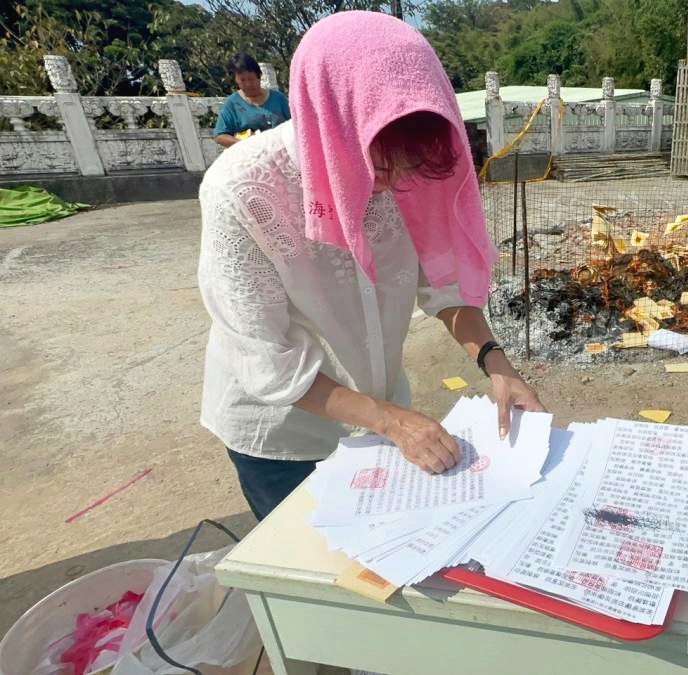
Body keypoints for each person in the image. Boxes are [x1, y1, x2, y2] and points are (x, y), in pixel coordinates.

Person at [197, 12, 545, 520]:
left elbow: (441, 287)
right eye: (381, 168)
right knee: (310, 576)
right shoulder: (242, 192)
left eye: (407, 170)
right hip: (283, 435)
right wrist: (391, 422)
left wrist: (498, 364)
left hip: (382, 413)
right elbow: (269, 363)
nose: (393, 184)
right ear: (334, 125)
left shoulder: (405, 168)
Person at [212, 53, 291, 149]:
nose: (248, 84)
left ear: (259, 76)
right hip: (251, 157)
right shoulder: (232, 104)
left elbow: (295, 123)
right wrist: (245, 144)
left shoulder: (279, 99)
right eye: (243, 80)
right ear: (236, 80)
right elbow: (220, 136)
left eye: (251, 79)